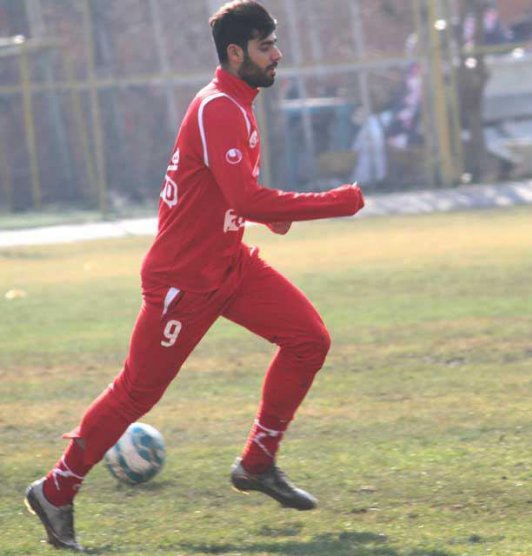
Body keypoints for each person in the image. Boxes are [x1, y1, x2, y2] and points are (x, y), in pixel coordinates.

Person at [25, 1, 364, 550]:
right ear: (235, 53)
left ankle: (257, 463)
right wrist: (336, 202)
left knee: (308, 339)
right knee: (136, 392)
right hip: (185, 281)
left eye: (274, 43)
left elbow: (231, 198)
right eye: (265, 46)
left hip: (228, 265)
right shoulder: (218, 108)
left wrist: (265, 216)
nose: (277, 55)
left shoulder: (238, 103)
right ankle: (56, 491)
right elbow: (247, 196)